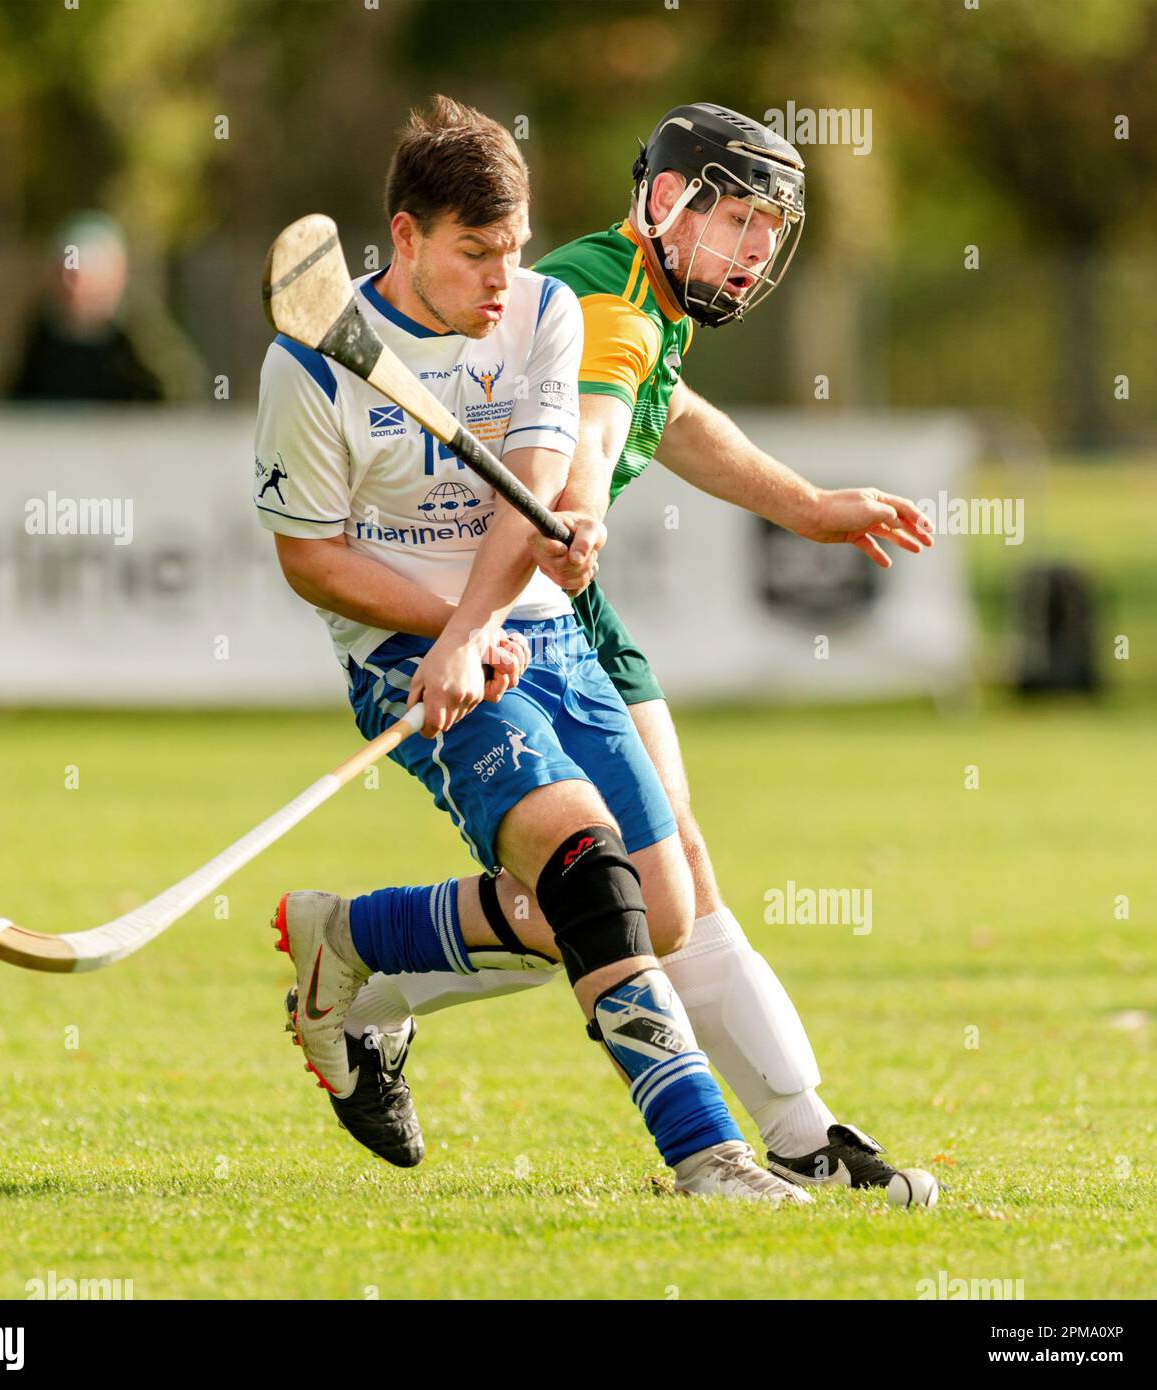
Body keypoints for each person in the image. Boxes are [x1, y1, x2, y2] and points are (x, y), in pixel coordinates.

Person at [320, 103, 937, 1195]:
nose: (753, 253)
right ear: (665, 201)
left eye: (767, 230)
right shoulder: (606, 300)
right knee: (643, 889)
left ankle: (367, 966)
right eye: (736, 220)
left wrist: (801, 506)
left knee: (666, 891)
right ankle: (790, 1134)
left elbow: (670, 408)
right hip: (507, 592)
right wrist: (580, 504)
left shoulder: (646, 292)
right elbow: (595, 425)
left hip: (554, 592)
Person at [8, 212, 163, 402]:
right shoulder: (42, 336)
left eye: (78, 277)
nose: (70, 285)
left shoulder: (141, 342)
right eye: (62, 274)